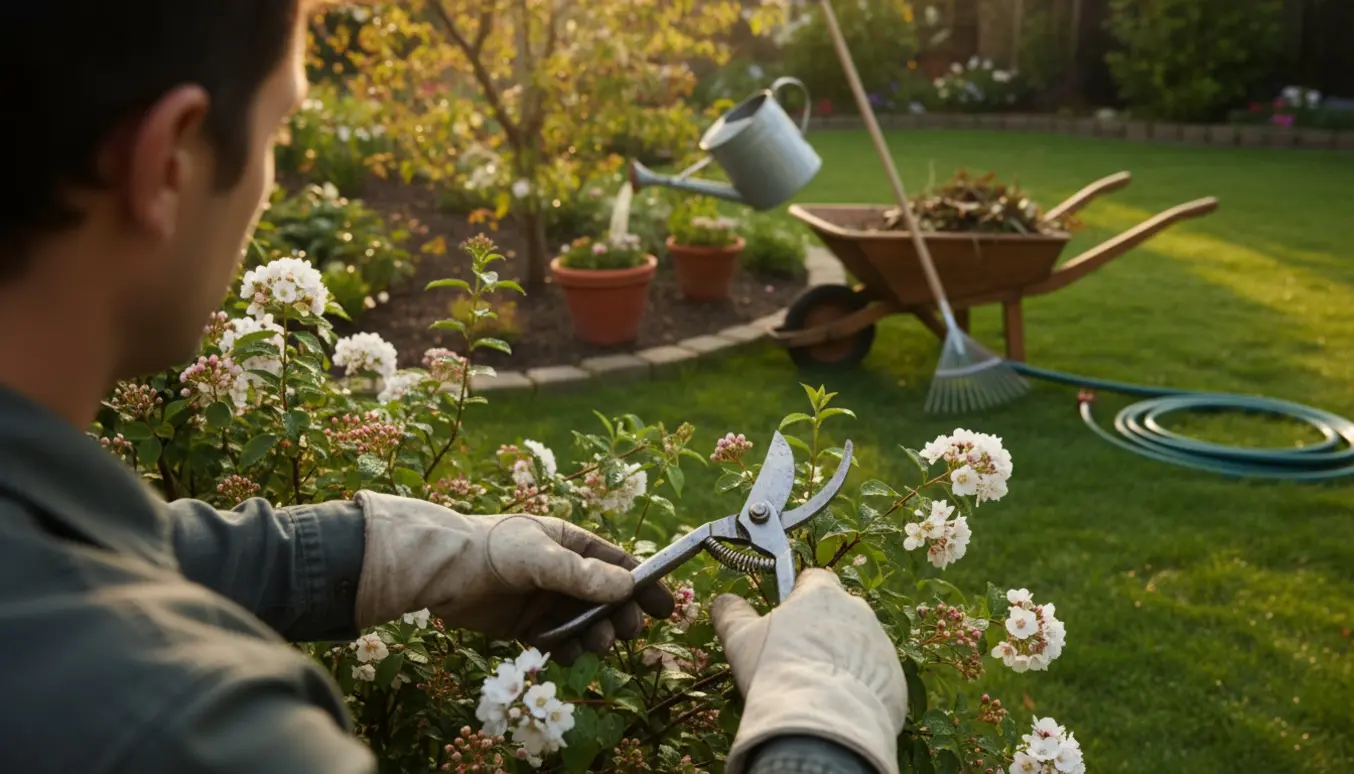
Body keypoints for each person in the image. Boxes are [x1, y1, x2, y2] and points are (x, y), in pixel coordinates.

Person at [0, 3, 907, 773]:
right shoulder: (199, 732)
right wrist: (822, 728)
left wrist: (391, 549)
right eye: (283, 130)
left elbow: (84, 553)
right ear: (168, 163)